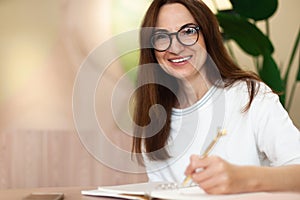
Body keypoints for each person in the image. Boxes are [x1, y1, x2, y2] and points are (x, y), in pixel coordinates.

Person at [132, 0, 300, 194]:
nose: (175, 48)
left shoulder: (250, 96)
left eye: (188, 32)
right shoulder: (154, 118)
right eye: (161, 37)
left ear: (208, 35)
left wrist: (243, 179)